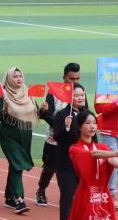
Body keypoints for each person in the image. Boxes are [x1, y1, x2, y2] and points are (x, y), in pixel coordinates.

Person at [36, 62, 84, 207]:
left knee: (74, 168)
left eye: (77, 78)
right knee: (50, 166)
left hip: (74, 140)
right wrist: (61, 125)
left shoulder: (80, 92)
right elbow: (46, 115)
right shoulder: (53, 93)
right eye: (71, 79)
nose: (75, 82)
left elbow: (85, 113)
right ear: (64, 78)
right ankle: (41, 189)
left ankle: (72, 195)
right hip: (54, 139)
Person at [0, 68, 38, 214]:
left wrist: (43, 110)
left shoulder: (28, 93)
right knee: (17, 165)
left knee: (15, 165)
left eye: (20, 76)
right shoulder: (3, 94)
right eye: (15, 76)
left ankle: (9, 197)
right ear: (8, 79)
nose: (18, 79)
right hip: (9, 135)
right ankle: (19, 200)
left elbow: (36, 112)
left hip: (25, 134)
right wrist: (4, 111)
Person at [49, 85, 88, 220]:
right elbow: (57, 137)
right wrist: (66, 127)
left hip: (84, 161)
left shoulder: (88, 115)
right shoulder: (61, 115)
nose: (80, 98)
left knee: (85, 194)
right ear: (70, 97)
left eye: (82, 95)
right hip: (66, 161)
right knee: (67, 193)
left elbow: (93, 138)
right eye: (76, 95)